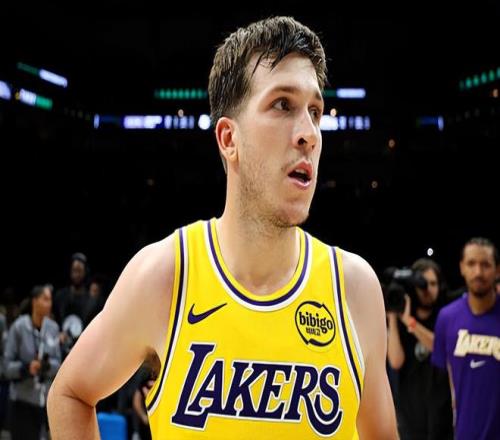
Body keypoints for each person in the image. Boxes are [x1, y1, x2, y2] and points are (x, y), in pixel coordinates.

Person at [47, 16, 397, 439]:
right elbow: (70, 394)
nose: (309, 133)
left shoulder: (355, 288)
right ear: (229, 139)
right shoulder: (164, 276)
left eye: (315, 112)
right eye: (282, 105)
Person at [432, 237, 500, 440]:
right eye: (471, 264)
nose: (478, 272)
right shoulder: (446, 318)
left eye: (485, 264)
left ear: (497, 270)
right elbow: (444, 386)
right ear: (462, 267)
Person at [387, 258, 452, 440]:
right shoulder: (402, 317)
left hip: (442, 415)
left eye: (433, 283)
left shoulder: (446, 315)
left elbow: (442, 348)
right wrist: (393, 318)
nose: (427, 289)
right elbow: (395, 362)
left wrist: (410, 322)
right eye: (422, 283)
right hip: (410, 416)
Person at [4, 284, 61, 439]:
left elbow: (59, 365)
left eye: (50, 300)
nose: (49, 303)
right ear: (34, 301)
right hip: (22, 401)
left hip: (45, 401)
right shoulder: (19, 327)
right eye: (45, 299)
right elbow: (6, 367)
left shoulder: (53, 328)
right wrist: (26, 368)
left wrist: (46, 366)